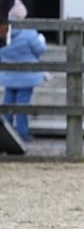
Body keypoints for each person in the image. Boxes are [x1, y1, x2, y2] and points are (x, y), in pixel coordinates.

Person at [1, 12, 47, 140]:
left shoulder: (4, 31)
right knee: (22, 105)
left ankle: (5, 133)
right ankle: (22, 132)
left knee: (7, 103)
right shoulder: (29, 33)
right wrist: (42, 39)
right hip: (27, 76)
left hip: (8, 75)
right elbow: (40, 49)